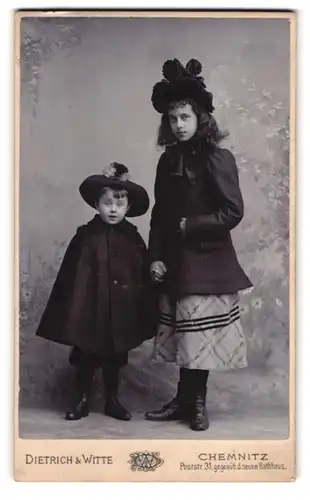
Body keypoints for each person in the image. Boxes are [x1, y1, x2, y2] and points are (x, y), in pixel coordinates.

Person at [144, 58, 253, 431]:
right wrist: (155, 256)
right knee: (184, 336)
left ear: (201, 118)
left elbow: (233, 211)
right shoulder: (167, 161)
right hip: (176, 261)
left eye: (185, 117)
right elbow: (159, 214)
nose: (179, 125)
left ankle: (198, 403)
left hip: (208, 262)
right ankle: (182, 400)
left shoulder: (218, 159)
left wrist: (192, 224)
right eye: (173, 118)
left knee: (199, 337)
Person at [36, 162, 154, 422]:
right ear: (96, 205)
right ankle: (82, 399)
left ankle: (112, 399)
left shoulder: (133, 239)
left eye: (120, 204)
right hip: (91, 309)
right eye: (107, 203)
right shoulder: (85, 237)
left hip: (121, 311)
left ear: (129, 208)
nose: (113, 209)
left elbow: (141, 277)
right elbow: (72, 279)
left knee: (115, 356)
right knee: (86, 356)